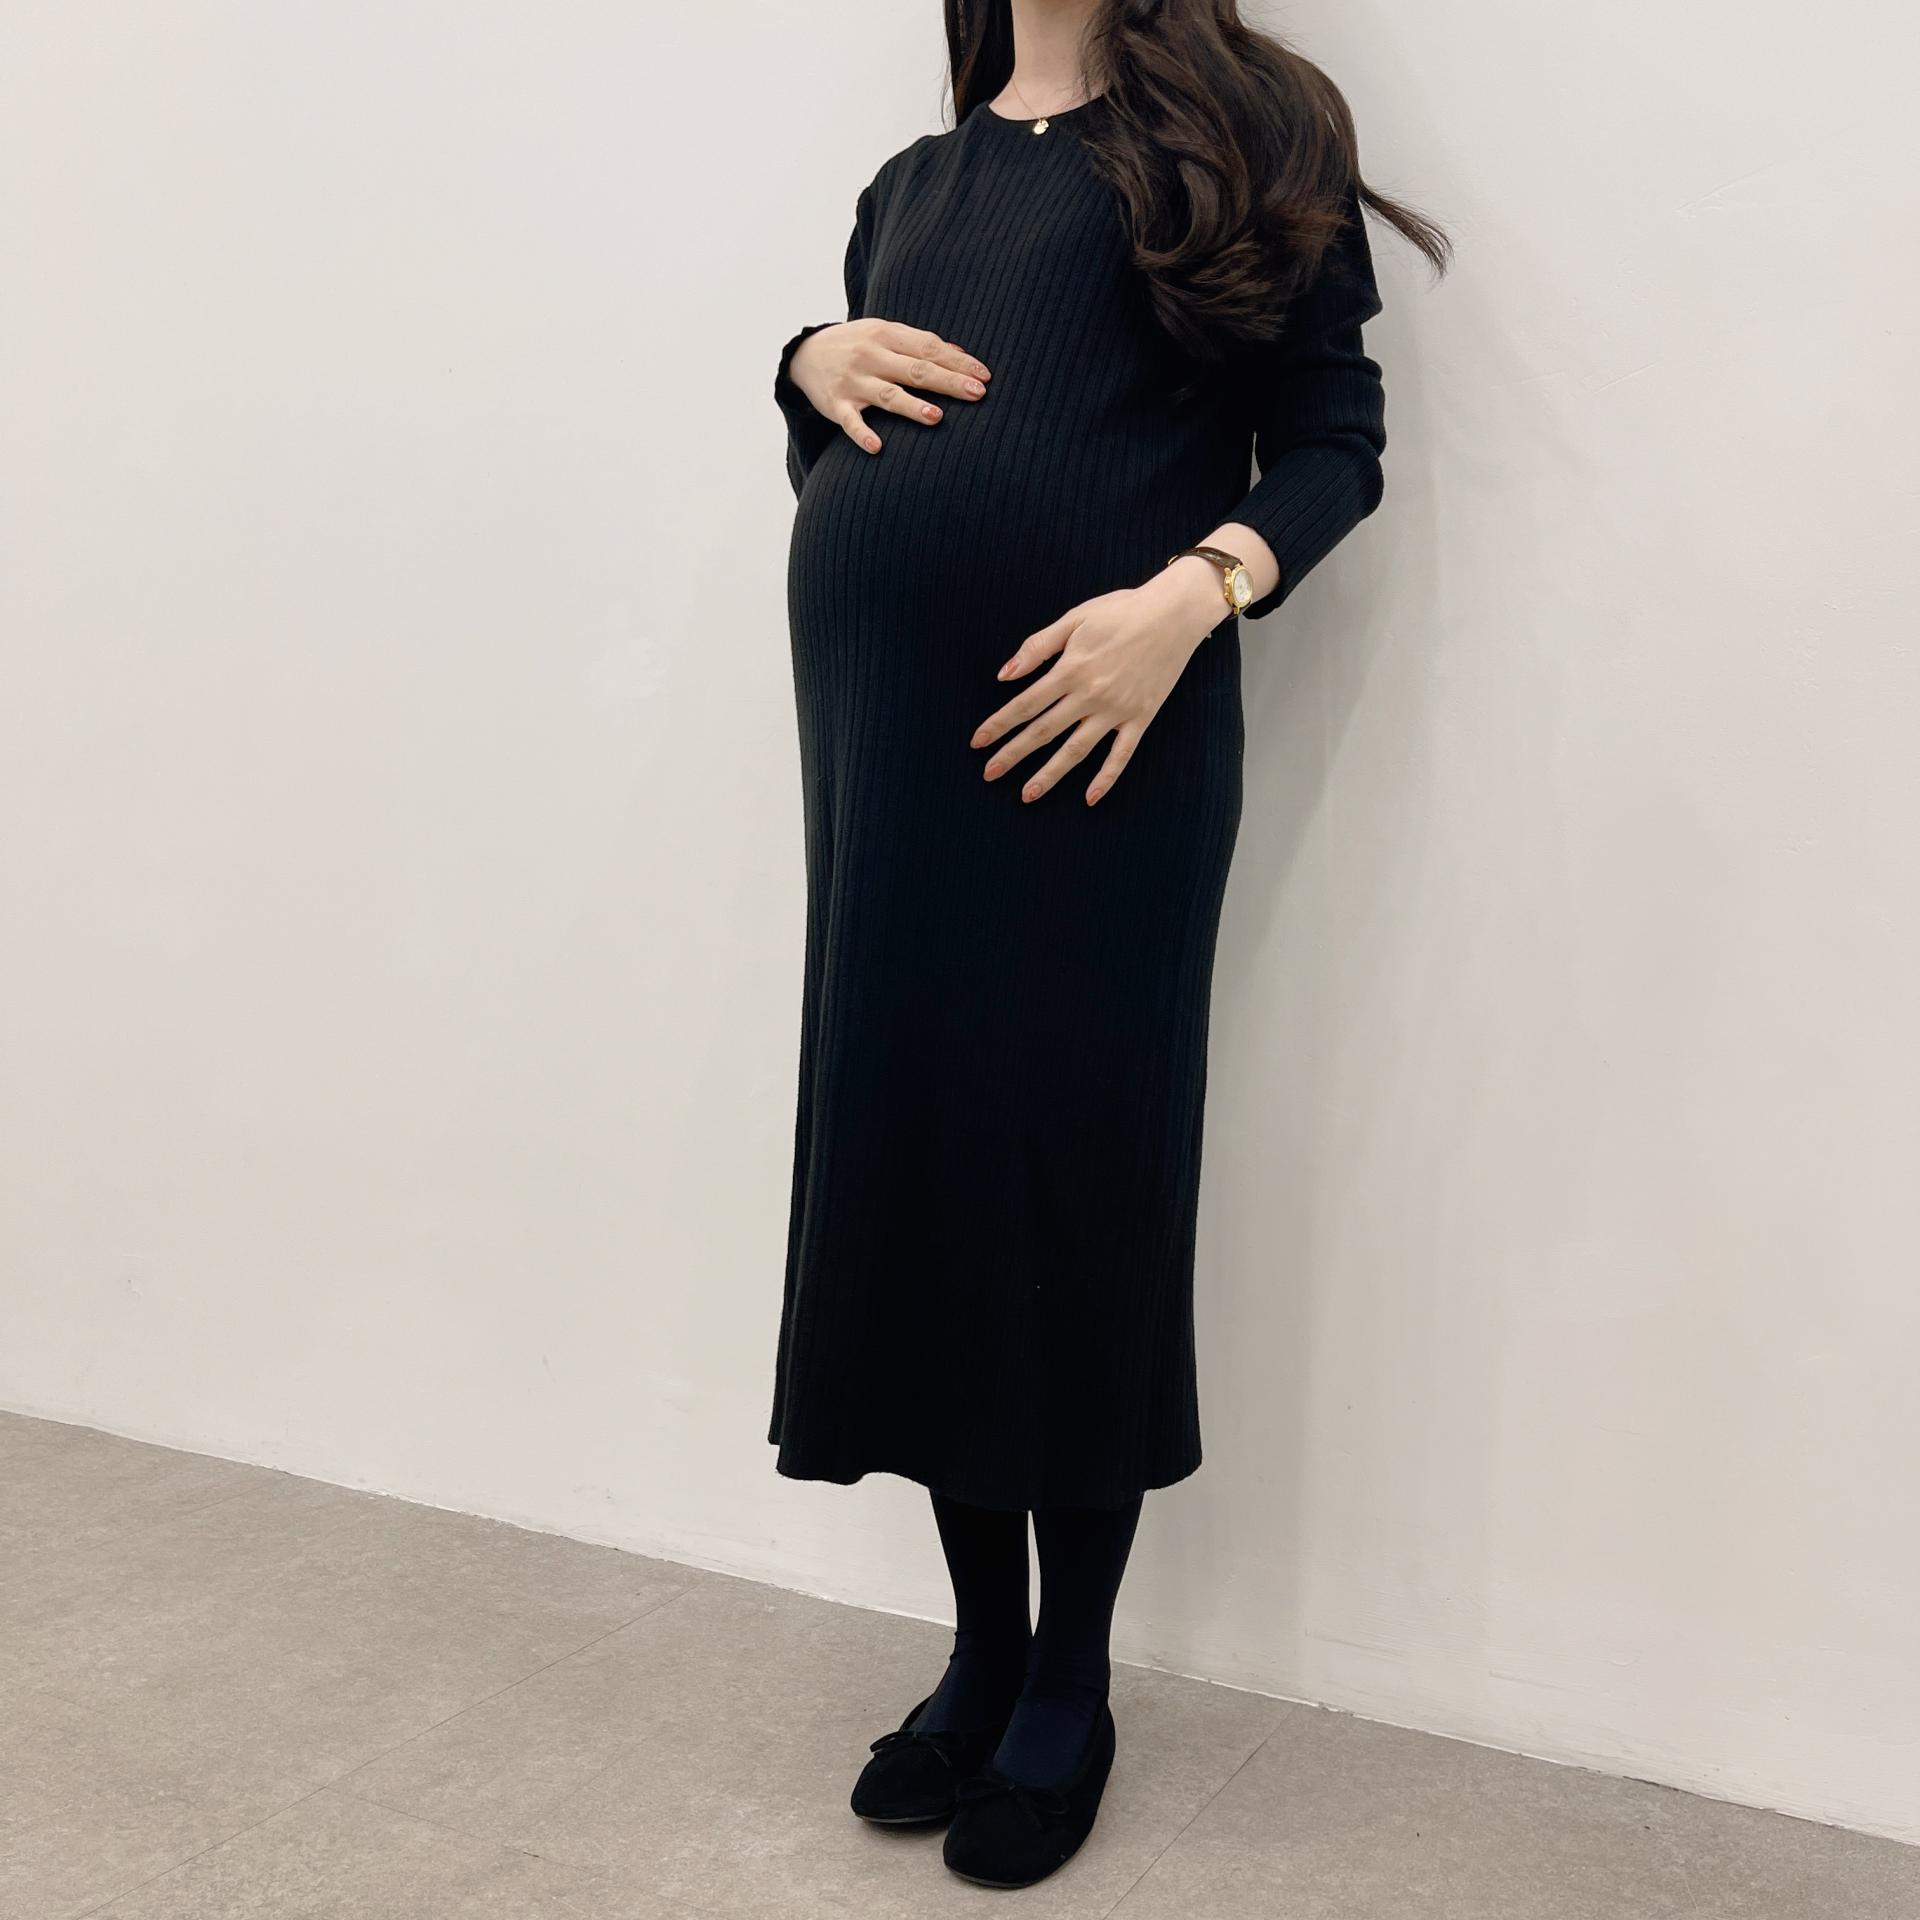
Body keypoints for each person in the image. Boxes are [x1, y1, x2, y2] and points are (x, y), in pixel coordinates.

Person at [767, 0, 1447, 1888]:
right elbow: (853, 440)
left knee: (1071, 1176)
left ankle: (1072, 1675)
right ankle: (982, 1649)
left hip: (1105, 756)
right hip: (889, 753)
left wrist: (1191, 597)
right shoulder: (912, 184)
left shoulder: (1251, 120)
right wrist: (803, 362)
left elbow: (1336, 445)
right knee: (922, 1168)